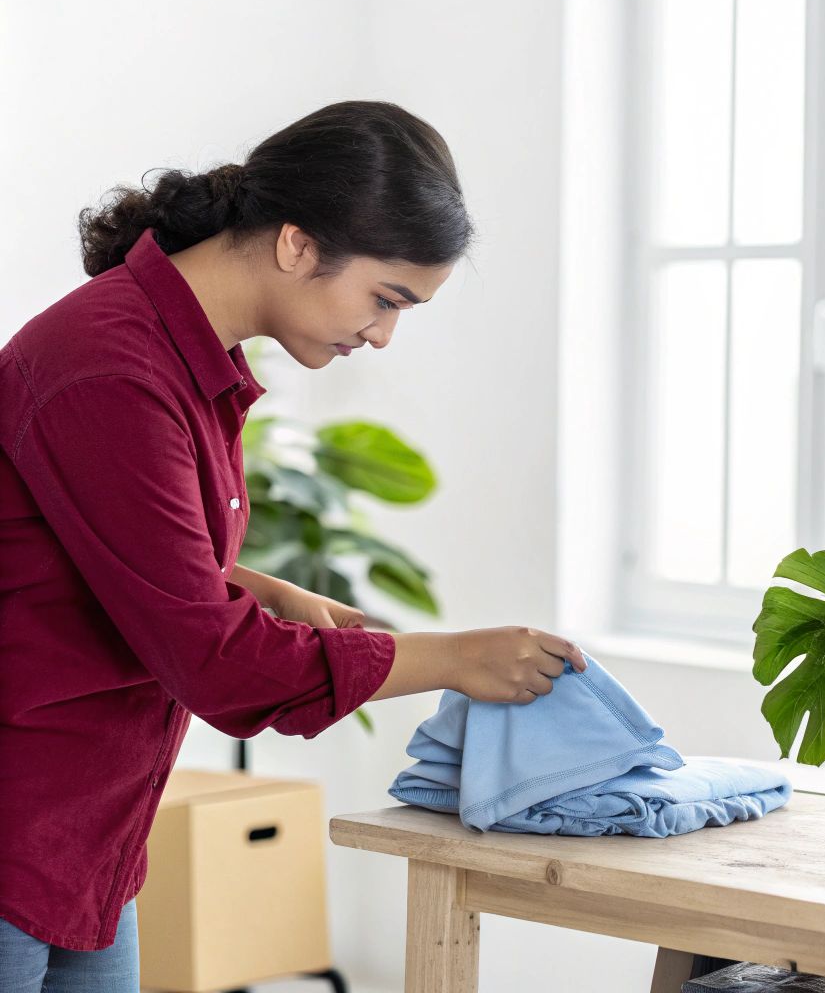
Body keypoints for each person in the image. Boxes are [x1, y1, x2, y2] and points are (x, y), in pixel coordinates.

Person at [0, 101, 586, 992]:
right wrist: (456, 658)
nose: (383, 334)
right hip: (21, 827)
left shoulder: (176, 355)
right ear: (297, 244)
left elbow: (80, 543)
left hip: (85, 837)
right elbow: (215, 664)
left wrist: (250, 585)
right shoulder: (115, 365)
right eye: (385, 299)